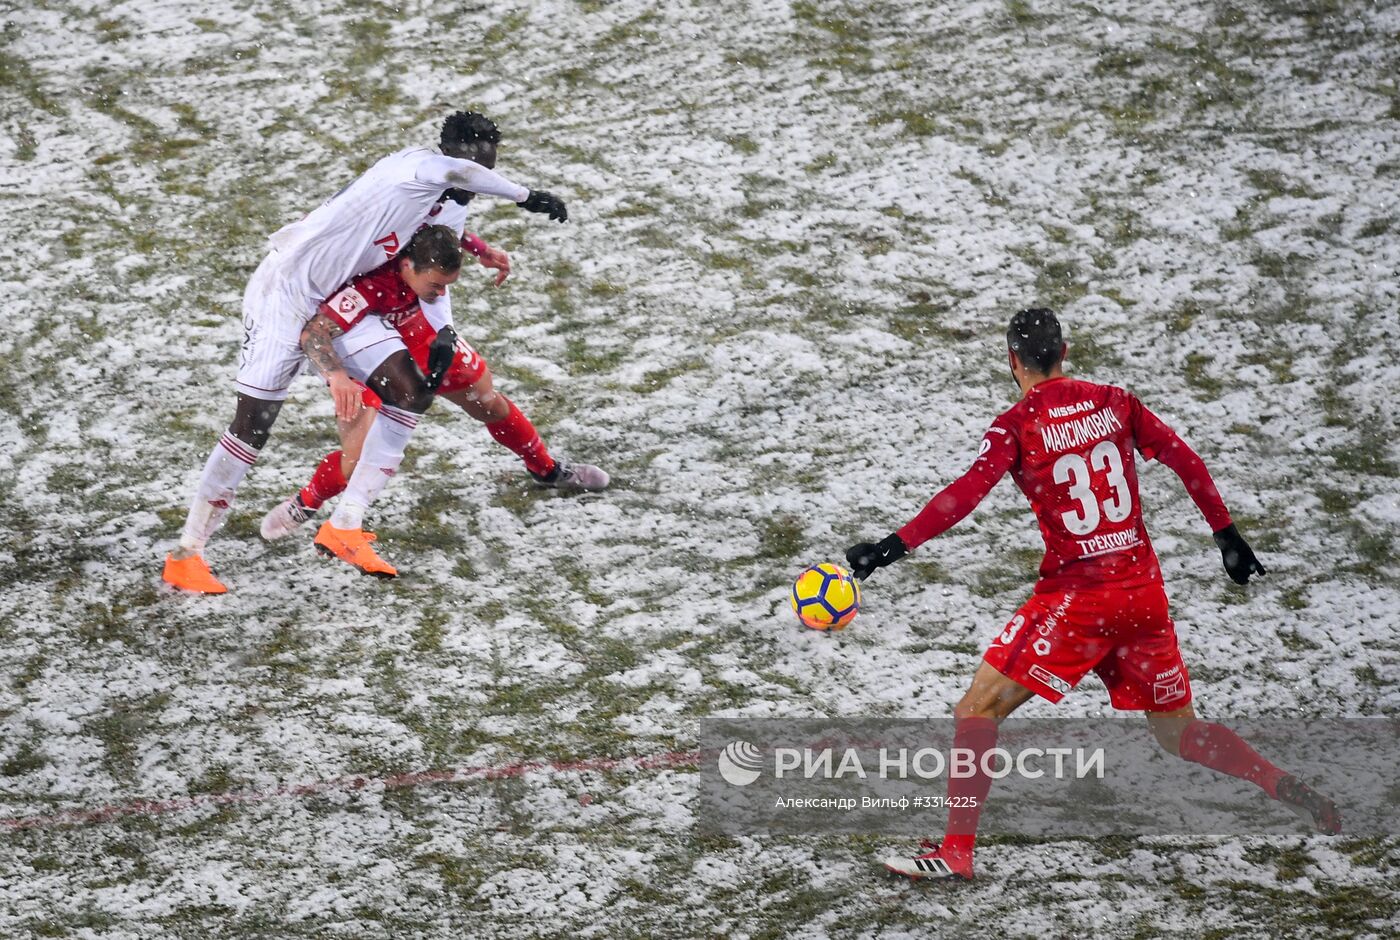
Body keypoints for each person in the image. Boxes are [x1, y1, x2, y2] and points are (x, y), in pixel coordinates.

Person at [846, 308, 1340, 882]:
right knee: (1178, 732)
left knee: (977, 708)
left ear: (1012, 362)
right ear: (1066, 350)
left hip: (1077, 602)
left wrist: (889, 549)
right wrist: (1226, 535)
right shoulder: (1115, 401)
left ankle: (956, 851)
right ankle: (1276, 781)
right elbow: (1184, 458)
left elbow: (964, 495)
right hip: (1143, 599)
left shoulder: (1016, 425)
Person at [163, 111, 568, 594]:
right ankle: (187, 552)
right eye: (474, 171)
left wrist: (477, 250)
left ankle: (345, 527)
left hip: (349, 299)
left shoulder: (447, 194)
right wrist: (526, 196)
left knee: (411, 390)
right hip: (286, 294)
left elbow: (440, 228)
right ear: (450, 157)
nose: (472, 187)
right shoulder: (418, 171)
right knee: (253, 424)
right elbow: (459, 175)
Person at [258, 225, 608, 556]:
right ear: (407, 264)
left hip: (426, 338)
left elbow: (451, 224)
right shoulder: (369, 283)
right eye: (436, 285)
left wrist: (480, 249)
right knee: (355, 461)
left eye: (447, 287)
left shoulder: (420, 233)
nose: (441, 294)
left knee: (489, 402)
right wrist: (336, 376)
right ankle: (306, 501)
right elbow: (313, 334)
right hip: (374, 361)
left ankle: (545, 469)